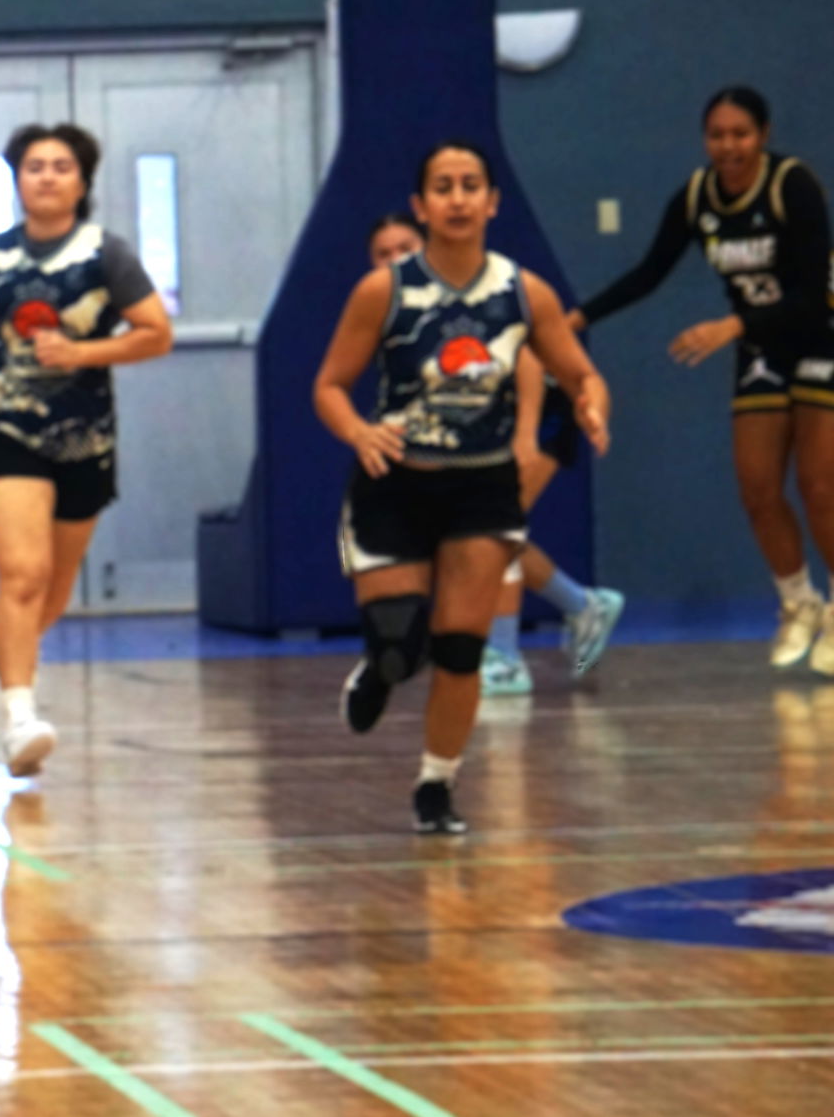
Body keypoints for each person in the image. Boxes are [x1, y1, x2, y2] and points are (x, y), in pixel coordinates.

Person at [316, 142, 611, 833]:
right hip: (395, 482)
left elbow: (580, 373)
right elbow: (327, 386)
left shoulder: (522, 292)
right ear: (422, 207)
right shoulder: (383, 291)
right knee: (399, 641)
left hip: (481, 489)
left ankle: (436, 786)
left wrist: (594, 404)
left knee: (459, 648)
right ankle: (380, 672)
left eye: (470, 185)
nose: (456, 198)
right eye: (442, 187)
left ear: (491, 202)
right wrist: (360, 432)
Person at [0, 123, 173, 777]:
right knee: (23, 573)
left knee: (56, 589)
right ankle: (18, 716)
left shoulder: (106, 256)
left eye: (61, 166)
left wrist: (85, 351)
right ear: (17, 178)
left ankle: (12, 671)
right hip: (5, 431)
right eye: (34, 166)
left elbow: (156, 333)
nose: (46, 176)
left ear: (83, 181)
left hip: (85, 437)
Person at [569, 86, 834, 671]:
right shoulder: (696, 198)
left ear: (762, 136)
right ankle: (799, 603)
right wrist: (576, 318)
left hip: (820, 337)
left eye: (740, 134)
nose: (728, 145)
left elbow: (816, 295)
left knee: (820, 487)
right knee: (757, 485)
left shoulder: (793, 185)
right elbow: (648, 273)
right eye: (717, 135)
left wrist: (731, 325)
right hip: (760, 344)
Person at [367, 214, 623, 694]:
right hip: (487, 425)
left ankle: (504, 656)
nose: (395, 259)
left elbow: (525, 359)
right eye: (383, 253)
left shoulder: (465, 288)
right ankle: (583, 605)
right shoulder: (389, 308)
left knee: (490, 531)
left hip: (541, 411)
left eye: (404, 247)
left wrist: (524, 436)